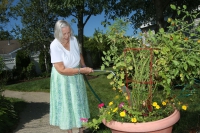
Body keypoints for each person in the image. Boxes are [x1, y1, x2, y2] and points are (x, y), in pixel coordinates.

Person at [49, 20, 93, 133]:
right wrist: (81, 70)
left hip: (76, 74)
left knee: (79, 101)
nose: (67, 36)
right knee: (67, 104)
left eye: (69, 32)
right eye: (64, 34)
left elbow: (79, 54)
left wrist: (83, 66)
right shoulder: (54, 45)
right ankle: (69, 131)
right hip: (62, 79)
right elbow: (62, 70)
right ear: (58, 33)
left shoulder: (73, 39)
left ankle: (81, 129)